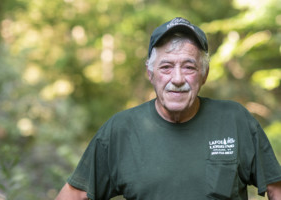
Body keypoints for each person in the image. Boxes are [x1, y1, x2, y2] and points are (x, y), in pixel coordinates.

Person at [55, 17, 281, 200]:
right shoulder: (120, 130)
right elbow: (76, 194)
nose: (178, 78)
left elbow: (276, 188)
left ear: (204, 74)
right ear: (150, 73)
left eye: (189, 67)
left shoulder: (235, 120)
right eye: (166, 67)